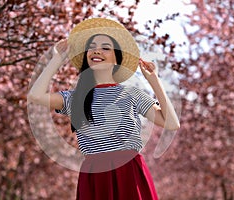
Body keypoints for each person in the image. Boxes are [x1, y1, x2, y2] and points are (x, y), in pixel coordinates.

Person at [28, 18, 180, 200]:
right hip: (94, 175)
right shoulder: (75, 98)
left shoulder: (132, 94)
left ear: (117, 57)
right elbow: (35, 96)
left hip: (129, 174)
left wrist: (154, 81)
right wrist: (56, 60)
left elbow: (172, 123)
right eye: (92, 47)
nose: (97, 50)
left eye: (106, 47)